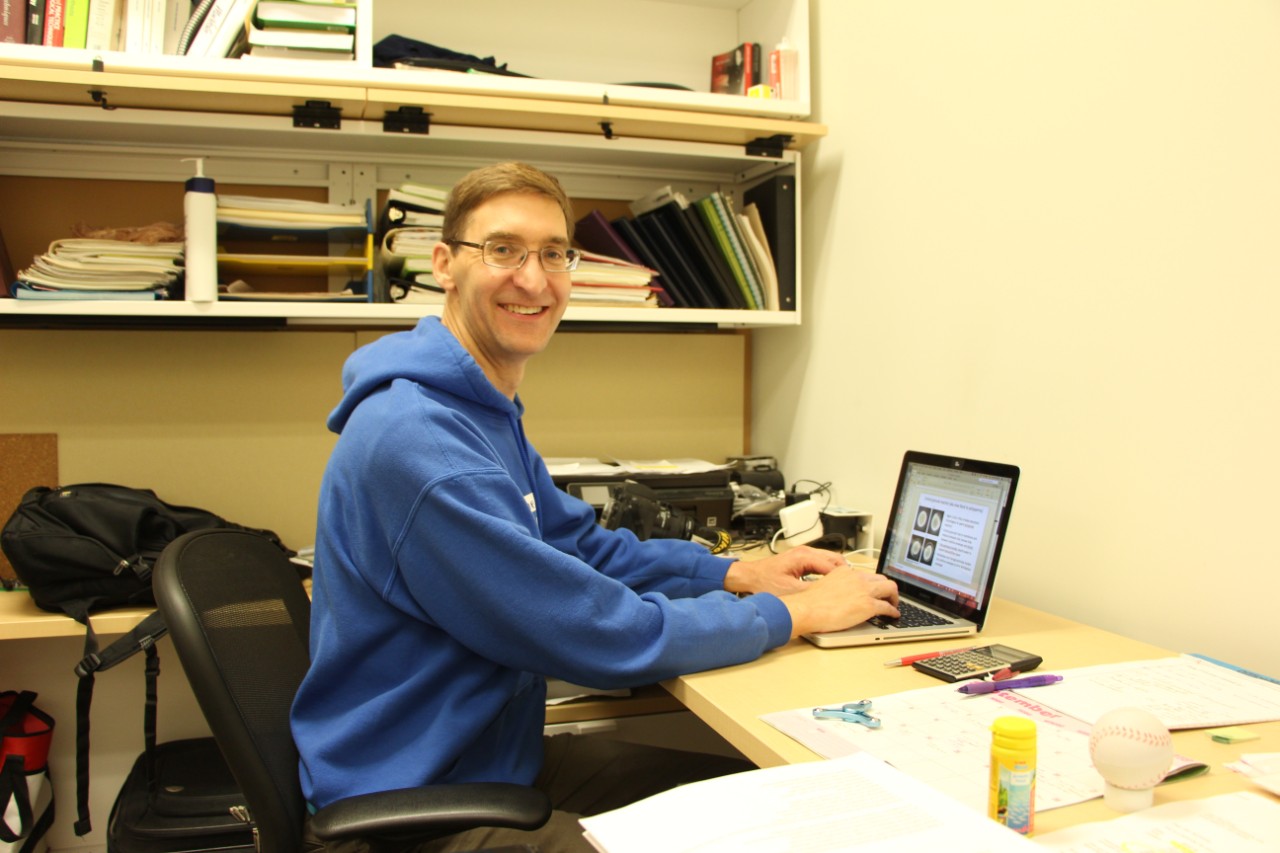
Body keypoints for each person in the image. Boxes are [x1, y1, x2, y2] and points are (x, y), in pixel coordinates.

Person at [292, 161, 900, 852]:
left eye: (554, 252)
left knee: (773, 799)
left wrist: (738, 576)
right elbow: (598, 632)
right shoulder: (421, 441)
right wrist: (792, 614)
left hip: (486, 767)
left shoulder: (479, 408)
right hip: (414, 813)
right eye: (503, 249)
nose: (533, 277)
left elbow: (581, 547)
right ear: (444, 264)